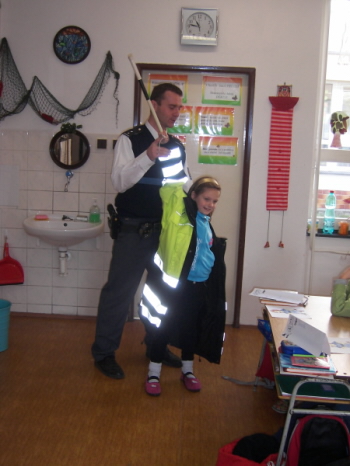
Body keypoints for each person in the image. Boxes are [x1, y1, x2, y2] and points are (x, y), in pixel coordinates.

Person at [91, 83, 190, 379]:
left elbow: (183, 186)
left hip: (166, 234)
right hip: (134, 231)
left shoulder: (177, 145)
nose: (176, 113)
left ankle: (155, 345)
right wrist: (148, 155)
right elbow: (120, 182)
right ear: (155, 106)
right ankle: (104, 353)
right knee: (118, 294)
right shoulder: (129, 140)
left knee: (159, 294)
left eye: (179, 107)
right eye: (172, 106)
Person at [140, 176, 227, 396]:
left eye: (215, 201)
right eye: (206, 198)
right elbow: (170, 188)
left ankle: (188, 371)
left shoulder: (206, 223)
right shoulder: (178, 216)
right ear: (194, 196)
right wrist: (173, 150)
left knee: (192, 330)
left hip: (199, 287)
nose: (211, 204)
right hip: (176, 287)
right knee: (164, 327)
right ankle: (153, 372)